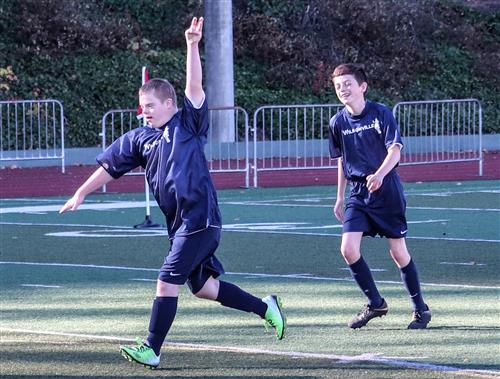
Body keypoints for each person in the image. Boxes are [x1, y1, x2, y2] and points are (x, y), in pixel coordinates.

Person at [59, 17, 286, 369]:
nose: (144, 113)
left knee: (166, 281)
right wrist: (81, 192)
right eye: (141, 107)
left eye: (150, 106)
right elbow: (109, 167)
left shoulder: (188, 124)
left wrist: (192, 45)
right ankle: (265, 307)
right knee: (205, 289)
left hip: (200, 217)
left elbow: (195, 85)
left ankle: (152, 347)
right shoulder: (140, 138)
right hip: (179, 224)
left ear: (169, 104)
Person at [328, 63, 431, 330]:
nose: (343, 89)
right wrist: (339, 196)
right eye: (338, 86)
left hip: (386, 191)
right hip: (358, 193)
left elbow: (395, 150)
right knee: (348, 249)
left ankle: (420, 309)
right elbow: (341, 160)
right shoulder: (337, 122)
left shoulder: (381, 113)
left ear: (362, 86)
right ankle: (375, 303)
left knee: (398, 252)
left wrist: (380, 174)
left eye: (348, 83)